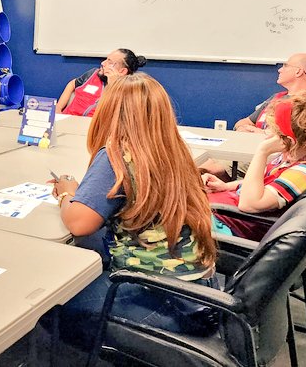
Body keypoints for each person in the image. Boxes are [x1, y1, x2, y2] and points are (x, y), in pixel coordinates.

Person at [48, 73, 218, 350]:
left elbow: (79, 223)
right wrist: (86, 192)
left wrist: (68, 192)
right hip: (199, 293)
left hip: (160, 299)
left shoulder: (117, 155)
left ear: (109, 113)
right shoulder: (172, 149)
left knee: (50, 304)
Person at [203, 93, 306, 241]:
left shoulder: (304, 172)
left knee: (179, 210)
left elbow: (249, 204)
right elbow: (262, 184)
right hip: (226, 211)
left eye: (274, 131)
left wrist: (262, 152)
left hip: (234, 224)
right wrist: (225, 186)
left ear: (292, 139)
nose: (268, 135)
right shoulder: (293, 159)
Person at [199, 52, 306, 180]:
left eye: (285, 65)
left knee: (204, 170)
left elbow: (302, 142)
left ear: (298, 72)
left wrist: (263, 134)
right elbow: (242, 123)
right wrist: (243, 130)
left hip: (272, 158)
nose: (280, 69)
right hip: (246, 149)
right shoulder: (276, 98)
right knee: (198, 163)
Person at [55, 48, 146, 116]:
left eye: (109, 62)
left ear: (122, 71)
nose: (103, 63)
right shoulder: (93, 74)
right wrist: (58, 108)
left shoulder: (128, 90)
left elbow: (118, 117)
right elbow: (72, 84)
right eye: (106, 59)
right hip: (67, 119)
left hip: (92, 130)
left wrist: (112, 86)